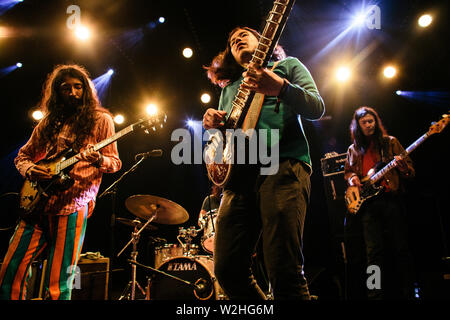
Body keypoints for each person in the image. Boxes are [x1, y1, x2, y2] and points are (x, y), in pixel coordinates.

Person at [202, 26, 325, 300]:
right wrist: (211, 126)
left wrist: (280, 87)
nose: (236, 38)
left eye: (245, 34)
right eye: (232, 40)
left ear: (264, 41)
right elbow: (223, 142)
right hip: (238, 182)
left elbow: (317, 107)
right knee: (227, 270)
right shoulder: (229, 88)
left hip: (282, 165)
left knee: (283, 270)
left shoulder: (288, 66)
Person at [0, 64, 121, 300]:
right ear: (57, 92)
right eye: (66, 88)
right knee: (9, 272)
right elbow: (22, 156)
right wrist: (32, 170)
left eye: (78, 87)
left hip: (73, 205)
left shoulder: (101, 120)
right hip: (37, 205)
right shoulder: (48, 122)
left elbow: (115, 162)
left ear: (86, 90)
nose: (73, 93)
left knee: (59, 284)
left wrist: (98, 158)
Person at [344, 106, 415, 299]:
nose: (369, 125)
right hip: (368, 205)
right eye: (365, 122)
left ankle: (409, 291)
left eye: (371, 121)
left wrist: (402, 168)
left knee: (401, 248)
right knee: (372, 253)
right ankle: (374, 293)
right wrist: (352, 179)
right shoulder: (354, 149)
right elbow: (349, 172)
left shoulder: (390, 143)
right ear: (358, 126)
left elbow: (410, 171)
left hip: (391, 200)